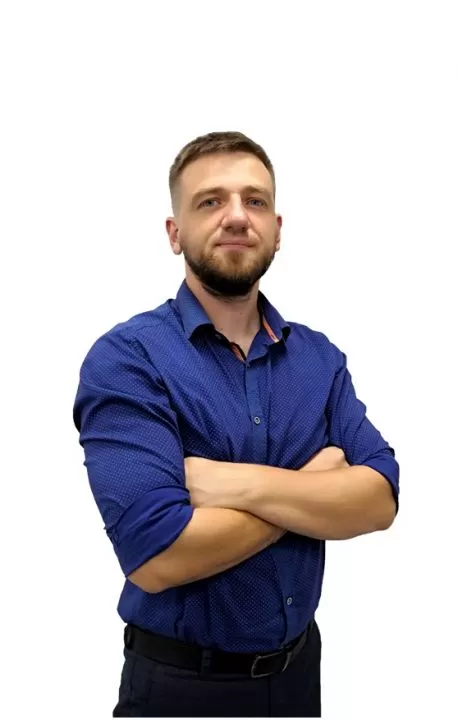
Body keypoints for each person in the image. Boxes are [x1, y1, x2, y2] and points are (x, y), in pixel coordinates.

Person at [73, 130, 400, 717]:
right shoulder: (128, 359)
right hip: (180, 689)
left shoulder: (320, 360)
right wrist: (314, 487)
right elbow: (157, 557)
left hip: (298, 677)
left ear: (277, 228)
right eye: (210, 201)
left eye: (254, 200)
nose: (236, 216)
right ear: (174, 233)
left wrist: (231, 484)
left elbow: (380, 499)